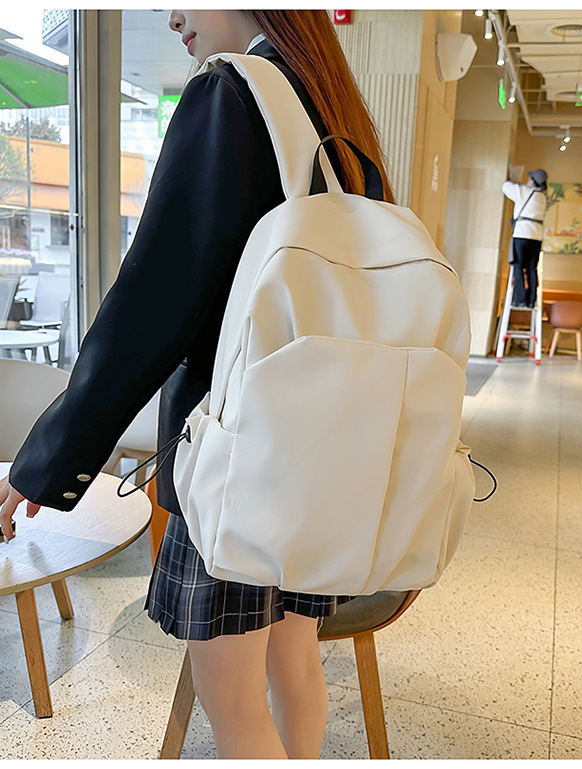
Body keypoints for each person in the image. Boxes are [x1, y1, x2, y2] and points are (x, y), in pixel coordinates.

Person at [0, 10, 394, 759]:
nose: (173, 15)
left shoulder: (230, 95)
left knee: (235, 703)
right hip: (318, 458)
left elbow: (153, 304)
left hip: (234, 461)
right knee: (296, 662)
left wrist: (49, 458)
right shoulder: (324, 104)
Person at [502, 168, 547, 308]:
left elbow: (505, 187)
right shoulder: (542, 197)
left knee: (518, 265)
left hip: (522, 234)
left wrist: (514, 180)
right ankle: (531, 300)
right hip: (536, 237)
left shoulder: (524, 192)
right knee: (532, 267)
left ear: (533, 182)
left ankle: (519, 299)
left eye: (530, 178)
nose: (528, 181)